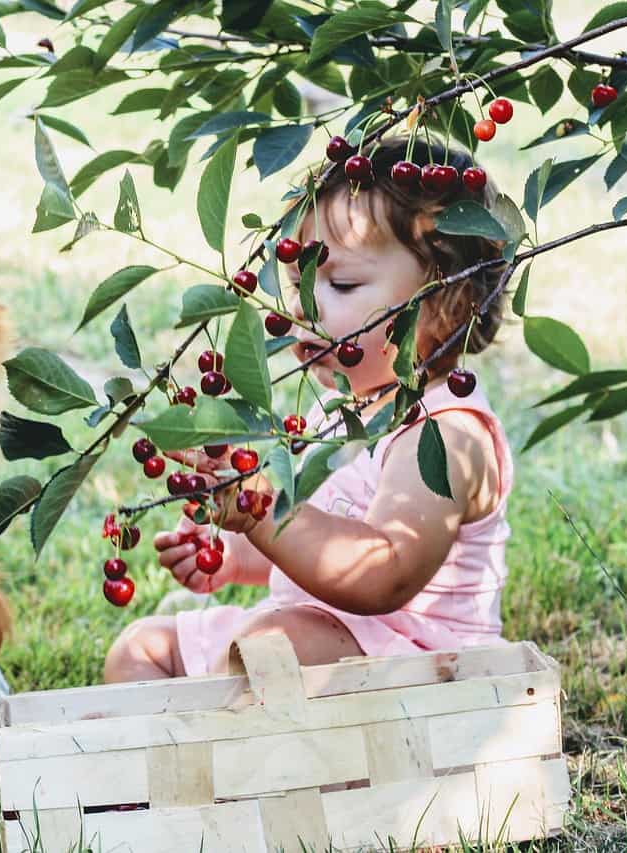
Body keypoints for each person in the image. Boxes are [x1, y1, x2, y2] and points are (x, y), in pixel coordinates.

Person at [103, 135, 515, 682]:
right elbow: (307, 552)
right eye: (301, 281)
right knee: (141, 648)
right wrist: (234, 553)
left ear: (445, 305)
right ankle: (185, 763)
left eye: (341, 283)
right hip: (309, 630)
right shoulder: (337, 411)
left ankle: (235, 759)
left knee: (268, 651)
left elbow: (383, 573)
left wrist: (263, 515)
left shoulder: (446, 435)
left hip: (416, 666)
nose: (303, 308)